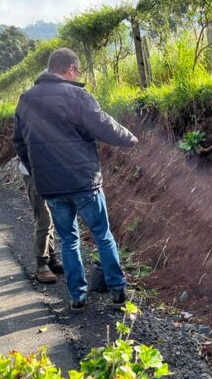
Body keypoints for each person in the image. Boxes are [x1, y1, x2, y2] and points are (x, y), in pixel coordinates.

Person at [13, 47, 137, 313]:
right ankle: (117, 291)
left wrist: (38, 170)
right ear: (70, 69)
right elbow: (103, 125)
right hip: (83, 181)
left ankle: (78, 297)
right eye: (76, 71)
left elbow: (19, 143)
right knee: (102, 235)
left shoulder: (26, 99)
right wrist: (131, 139)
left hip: (52, 186)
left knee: (68, 239)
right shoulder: (77, 95)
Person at [18, 159, 64, 283]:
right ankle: (41, 264)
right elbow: (20, 145)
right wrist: (34, 168)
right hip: (34, 173)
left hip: (50, 171)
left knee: (51, 216)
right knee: (44, 218)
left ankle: (52, 258)